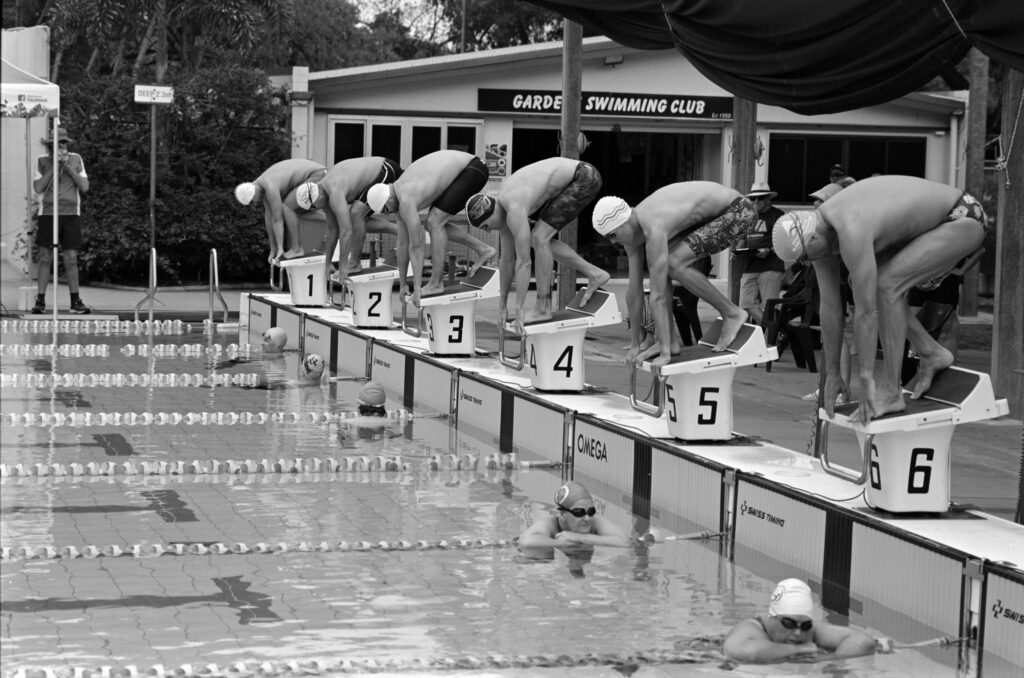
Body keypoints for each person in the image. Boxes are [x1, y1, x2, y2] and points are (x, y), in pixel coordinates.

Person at [772, 175, 987, 424]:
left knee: (886, 285)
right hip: (925, 226)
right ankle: (930, 352)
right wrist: (832, 372)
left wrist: (866, 379)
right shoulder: (818, 235)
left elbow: (867, 313)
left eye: (805, 257)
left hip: (962, 216)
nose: (808, 263)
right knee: (871, 283)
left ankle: (892, 391)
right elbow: (830, 308)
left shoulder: (850, 227)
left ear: (812, 238)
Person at [591, 182, 756, 365]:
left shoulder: (653, 224)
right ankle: (668, 340)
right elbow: (634, 293)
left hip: (740, 212)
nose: (613, 243)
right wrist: (634, 345)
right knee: (666, 266)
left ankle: (732, 313)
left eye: (613, 235)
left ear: (625, 221)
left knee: (673, 263)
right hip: (713, 218)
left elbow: (658, 295)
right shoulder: (631, 232)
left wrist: (665, 354)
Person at [464, 157, 610, 326]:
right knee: (539, 238)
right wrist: (502, 305)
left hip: (584, 176)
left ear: (490, 213)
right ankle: (595, 274)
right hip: (578, 177)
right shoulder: (504, 212)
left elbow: (524, 263)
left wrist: (519, 309)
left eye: (485, 226)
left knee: (539, 237)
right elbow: (507, 260)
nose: (488, 230)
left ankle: (542, 308)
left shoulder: (513, 206)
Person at [365, 150, 498, 306]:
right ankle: (483, 250)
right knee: (432, 222)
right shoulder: (398, 197)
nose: (388, 213)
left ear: (388, 199)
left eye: (386, 210)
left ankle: (436, 283)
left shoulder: (406, 199)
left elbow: (417, 246)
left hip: (472, 169)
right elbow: (402, 243)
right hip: (467, 169)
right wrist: (402, 284)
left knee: (434, 222)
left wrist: (417, 288)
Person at [723, 578, 889, 663]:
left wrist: (827, 660)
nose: (798, 632)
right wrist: (800, 650)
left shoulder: (809, 630)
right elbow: (748, 652)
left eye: (805, 625)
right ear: (772, 617)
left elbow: (864, 642)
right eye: (789, 623)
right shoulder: (750, 629)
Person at [295, 157, 402, 285]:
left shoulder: (334, 192)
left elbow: (346, 232)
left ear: (317, 197)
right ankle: (400, 231)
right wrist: (328, 262)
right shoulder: (324, 196)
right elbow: (332, 228)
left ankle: (354, 263)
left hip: (386, 169)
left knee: (356, 214)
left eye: (313, 207)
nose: (316, 209)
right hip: (376, 173)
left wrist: (342, 267)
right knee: (357, 218)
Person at [31, 128, 91, 314]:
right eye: (56, 143)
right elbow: (39, 187)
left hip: (71, 213)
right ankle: (40, 301)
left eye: (63, 143)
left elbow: (84, 186)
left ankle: (75, 301)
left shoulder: (76, 158)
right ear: (49, 145)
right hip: (48, 213)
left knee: (71, 258)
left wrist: (67, 167)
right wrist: (55, 167)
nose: (60, 146)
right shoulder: (42, 160)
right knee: (44, 257)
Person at [234, 159, 327, 263]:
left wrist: (280, 249)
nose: (255, 203)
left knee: (287, 207)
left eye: (252, 201)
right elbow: (270, 219)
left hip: (316, 175)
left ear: (253, 194)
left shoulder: (269, 186)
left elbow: (277, 219)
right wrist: (273, 249)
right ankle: (331, 220)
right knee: (295, 213)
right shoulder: (261, 186)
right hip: (320, 173)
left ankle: (296, 249)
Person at [518, 481, 631, 549]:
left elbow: (625, 542)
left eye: (591, 511)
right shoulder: (550, 525)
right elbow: (525, 542)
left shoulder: (594, 522)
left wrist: (580, 538)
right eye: (579, 512)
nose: (587, 518)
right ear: (561, 514)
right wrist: (560, 544)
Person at [733, 181, 786, 324]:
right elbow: (742, 239)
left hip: (771, 266)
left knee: (769, 307)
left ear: (769, 198)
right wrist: (738, 250)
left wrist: (769, 250)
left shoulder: (779, 216)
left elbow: (786, 243)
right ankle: (776, 331)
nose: (756, 201)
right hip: (750, 265)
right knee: (746, 305)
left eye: (761, 198)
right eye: (753, 198)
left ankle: (770, 338)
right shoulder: (748, 216)